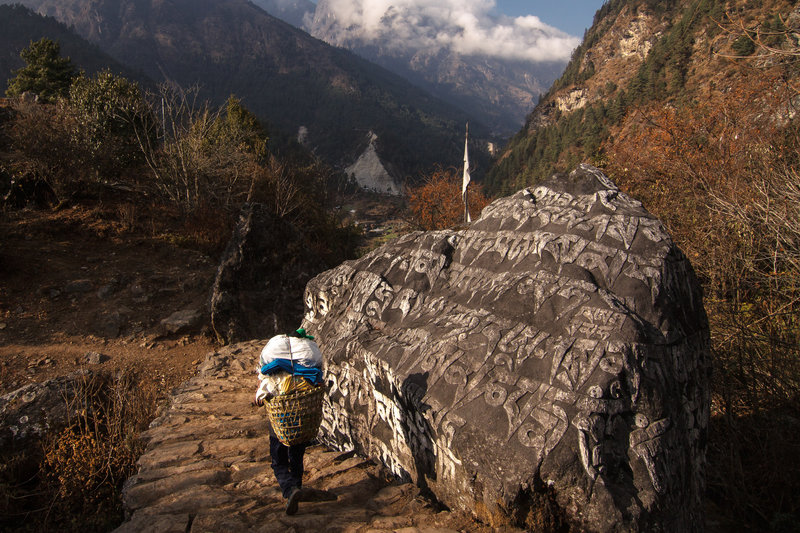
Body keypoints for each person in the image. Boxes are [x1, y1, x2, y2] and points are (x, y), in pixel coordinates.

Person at [253, 328, 323, 515]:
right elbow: (319, 377)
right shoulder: (308, 366)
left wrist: (259, 397)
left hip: (280, 422)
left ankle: (289, 490)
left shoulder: (271, 372)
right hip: (302, 420)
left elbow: (262, 387)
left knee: (279, 460)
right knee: (297, 455)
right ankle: (297, 486)